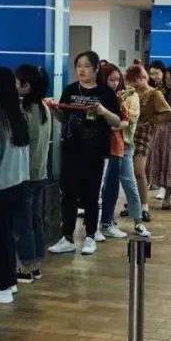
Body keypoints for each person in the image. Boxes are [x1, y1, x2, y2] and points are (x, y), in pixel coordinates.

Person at [48, 51, 121, 256]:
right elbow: (64, 118)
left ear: (96, 69)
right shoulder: (71, 90)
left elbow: (117, 122)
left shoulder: (105, 92)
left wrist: (104, 112)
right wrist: (54, 109)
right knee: (68, 193)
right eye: (79, 65)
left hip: (95, 152)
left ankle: (90, 236)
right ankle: (67, 237)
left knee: (91, 195)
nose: (82, 70)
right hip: (71, 150)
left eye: (86, 66)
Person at [0, 67, 29, 305]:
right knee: (8, 235)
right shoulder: (17, 113)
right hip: (18, 182)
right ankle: (9, 282)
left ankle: (1, 286)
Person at [99, 63, 148, 238]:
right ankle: (105, 222)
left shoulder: (130, 95)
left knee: (129, 182)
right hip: (104, 146)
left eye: (117, 80)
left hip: (124, 144)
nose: (115, 83)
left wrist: (120, 103)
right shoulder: (100, 95)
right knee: (105, 186)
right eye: (111, 80)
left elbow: (130, 119)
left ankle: (138, 221)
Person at [13, 64, 50, 283]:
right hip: (40, 173)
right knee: (36, 220)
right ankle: (35, 265)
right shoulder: (45, 108)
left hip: (25, 175)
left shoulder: (23, 111)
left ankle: (25, 267)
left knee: (23, 222)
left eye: (17, 82)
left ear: (26, 86)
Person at [128, 65, 171, 221]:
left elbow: (169, 114)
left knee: (139, 171)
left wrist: (152, 120)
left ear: (143, 78)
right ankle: (132, 204)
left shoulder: (154, 94)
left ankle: (144, 207)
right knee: (128, 173)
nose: (133, 84)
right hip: (128, 132)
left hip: (143, 133)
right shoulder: (131, 93)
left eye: (136, 80)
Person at [147, 66, 171, 210]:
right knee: (154, 161)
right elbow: (151, 112)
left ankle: (167, 198)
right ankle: (143, 196)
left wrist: (160, 116)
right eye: (167, 79)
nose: (168, 82)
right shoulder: (160, 92)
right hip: (158, 133)